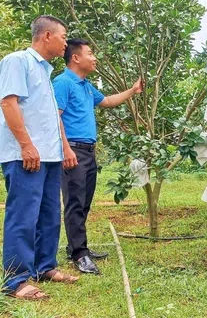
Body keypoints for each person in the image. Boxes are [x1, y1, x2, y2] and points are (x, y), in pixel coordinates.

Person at [0, 15, 79, 300]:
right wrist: (26, 145)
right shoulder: (17, 61)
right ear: (47, 36)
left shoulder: (46, 73)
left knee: (49, 214)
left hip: (49, 154)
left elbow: (50, 116)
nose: (66, 43)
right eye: (63, 37)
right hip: (26, 155)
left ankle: (45, 267)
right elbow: (8, 103)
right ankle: (16, 280)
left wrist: (65, 148)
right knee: (23, 215)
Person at [53, 38, 143, 275]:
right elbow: (55, 117)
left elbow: (107, 102)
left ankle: (77, 247)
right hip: (73, 150)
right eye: (90, 53)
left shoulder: (85, 85)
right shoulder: (63, 83)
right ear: (76, 58)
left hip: (87, 151)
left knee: (83, 201)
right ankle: (79, 255)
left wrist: (133, 90)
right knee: (74, 202)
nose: (94, 58)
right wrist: (65, 150)